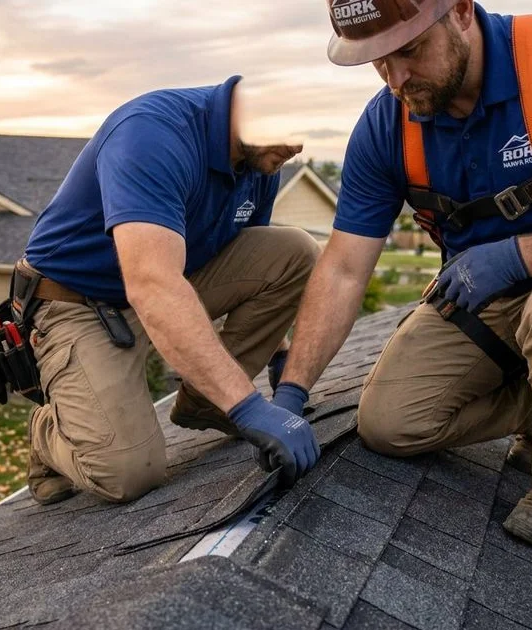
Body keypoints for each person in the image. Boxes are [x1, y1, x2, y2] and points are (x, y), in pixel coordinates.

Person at [276, 0, 532, 550]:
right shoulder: (387, 127)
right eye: (377, 62)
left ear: (462, 12)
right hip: (488, 296)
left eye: (409, 50)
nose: (395, 78)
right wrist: (290, 393)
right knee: (389, 425)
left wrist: (518, 256)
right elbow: (346, 268)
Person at [18, 76, 321, 505]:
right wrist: (249, 408)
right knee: (128, 473)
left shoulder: (259, 162)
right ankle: (49, 428)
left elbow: (245, 261)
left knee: (296, 250)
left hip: (168, 283)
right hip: (80, 303)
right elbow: (153, 285)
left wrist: (277, 349)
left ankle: (208, 403)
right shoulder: (151, 133)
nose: (297, 149)